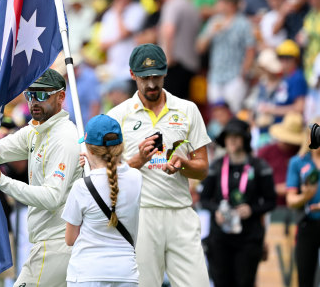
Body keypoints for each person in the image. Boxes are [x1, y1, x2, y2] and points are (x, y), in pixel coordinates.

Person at [107, 43, 211, 287]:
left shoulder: (188, 110)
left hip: (181, 212)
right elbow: (107, 175)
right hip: (141, 214)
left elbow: (203, 168)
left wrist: (183, 165)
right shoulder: (117, 116)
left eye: (156, 76)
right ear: (132, 74)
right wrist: (138, 161)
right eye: (144, 77)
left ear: (165, 73)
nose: (151, 84)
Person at [0, 68, 81, 287]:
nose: (35, 101)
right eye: (30, 94)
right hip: (48, 243)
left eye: (43, 95)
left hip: (57, 244)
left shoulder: (64, 137)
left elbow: (52, 197)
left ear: (61, 97)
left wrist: (3, 181)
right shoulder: (36, 130)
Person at [62, 114, 142, 286]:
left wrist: (88, 170)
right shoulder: (137, 178)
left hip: (87, 272)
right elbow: (116, 173)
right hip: (125, 272)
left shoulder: (81, 186)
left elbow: (70, 239)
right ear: (120, 146)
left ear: (89, 150)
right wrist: (93, 166)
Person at [200, 118, 276, 287]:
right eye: (228, 137)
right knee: (221, 282)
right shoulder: (217, 166)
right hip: (220, 237)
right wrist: (217, 210)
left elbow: (271, 202)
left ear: (245, 139)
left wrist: (252, 209)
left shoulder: (259, 166)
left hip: (249, 238)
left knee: (244, 282)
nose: (232, 140)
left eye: (237, 136)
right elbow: (204, 199)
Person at [286, 130, 320, 287]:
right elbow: (291, 199)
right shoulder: (298, 162)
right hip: (308, 224)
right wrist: (305, 197)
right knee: (305, 277)